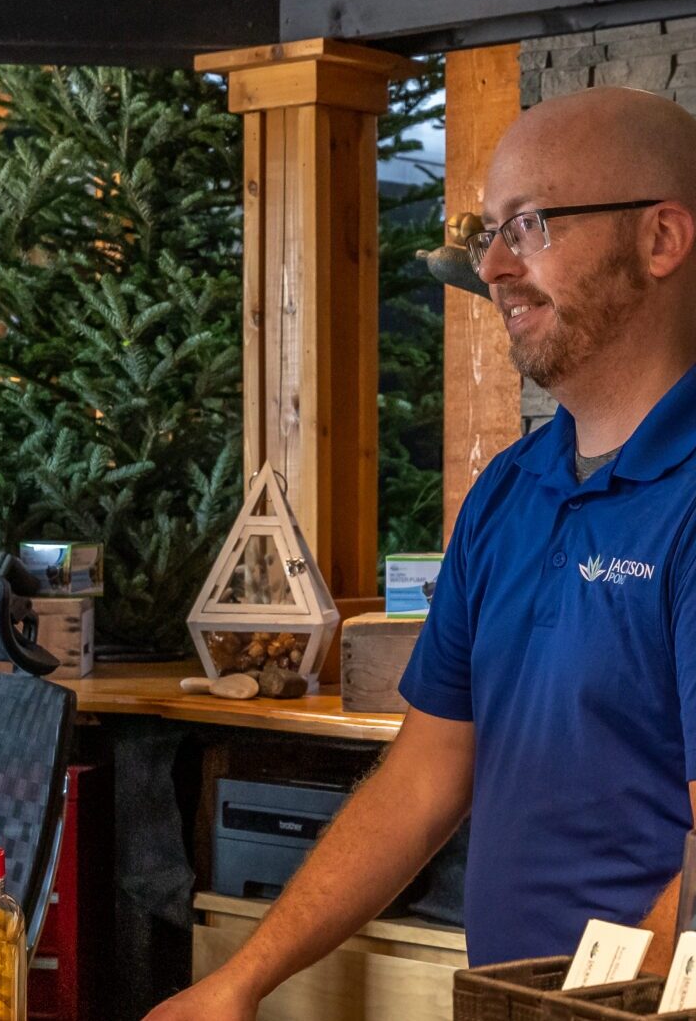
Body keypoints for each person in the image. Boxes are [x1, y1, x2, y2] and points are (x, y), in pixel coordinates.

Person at [148, 86, 696, 1019]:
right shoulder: (509, 494)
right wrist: (238, 983)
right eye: (489, 233)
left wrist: (582, 1014)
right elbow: (423, 776)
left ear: (660, 239)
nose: (490, 267)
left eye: (528, 226)